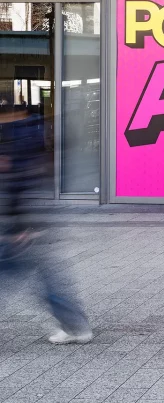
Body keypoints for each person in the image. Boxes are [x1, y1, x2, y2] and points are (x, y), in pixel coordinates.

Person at [0, 106, 93, 343]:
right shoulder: (30, 133)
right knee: (45, 275)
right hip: (32, 220)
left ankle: (76, 327)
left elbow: (17, 184)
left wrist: (18, 227)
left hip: (22, 224)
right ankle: (76, 327)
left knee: (19, 272)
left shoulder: (15, 137)